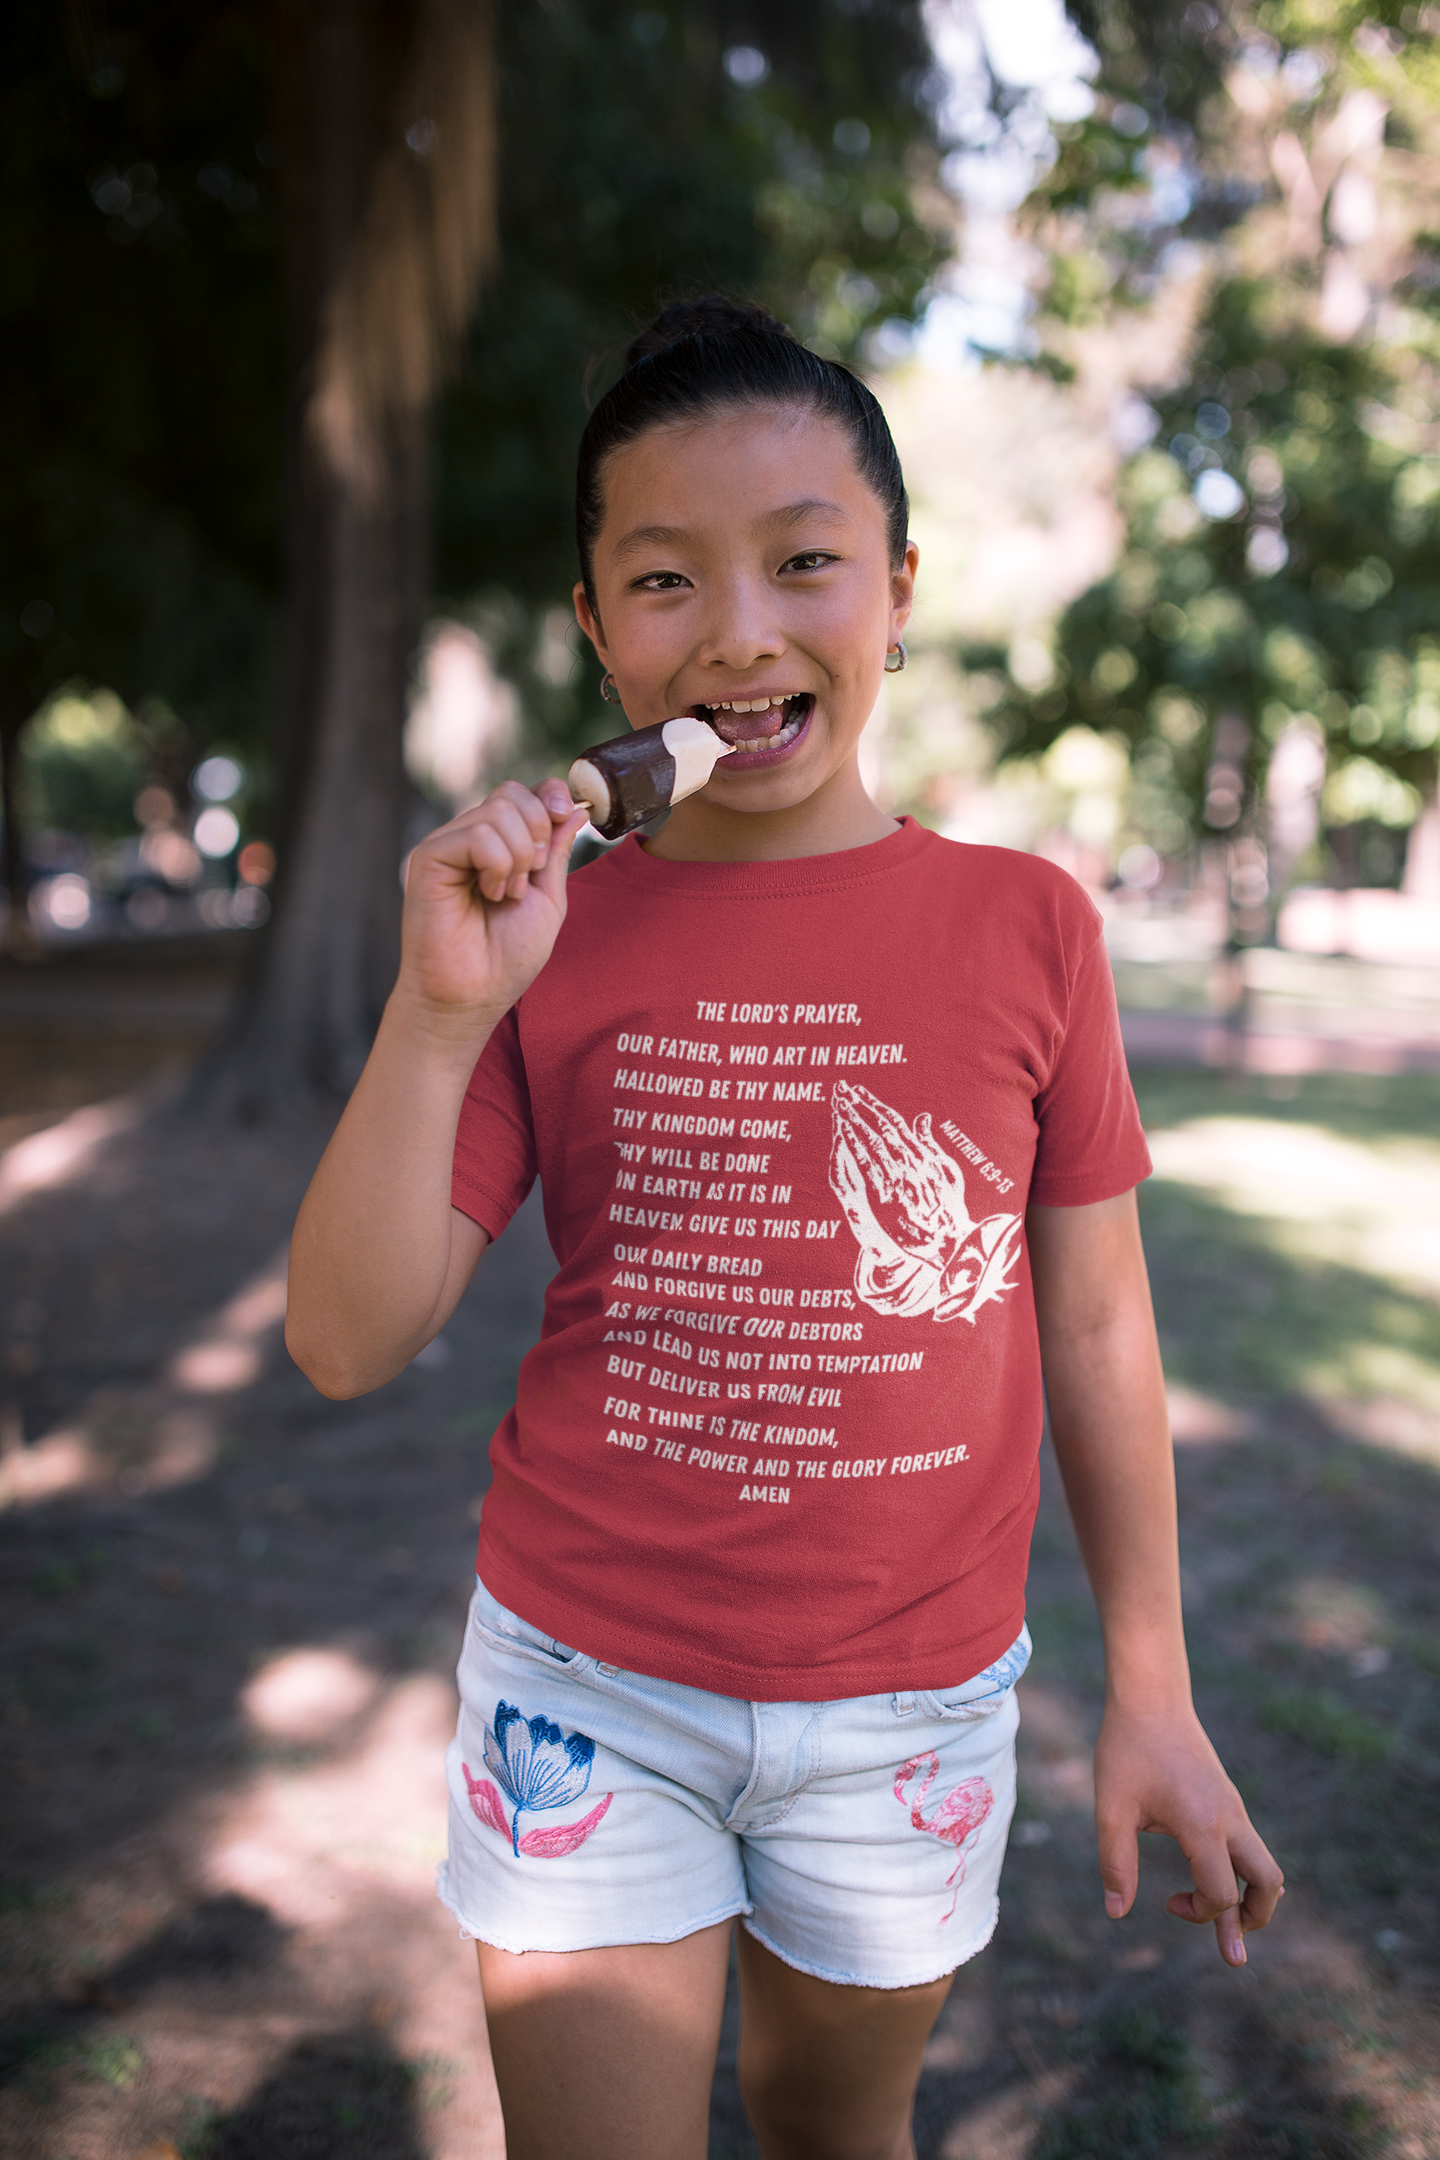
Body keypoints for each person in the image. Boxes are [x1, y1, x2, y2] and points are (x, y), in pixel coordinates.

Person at [285, 296, 1283, 2160]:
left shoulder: (1029, 926)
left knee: (840, 2135)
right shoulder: (545, 933)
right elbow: (344, 1338)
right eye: (665, 581)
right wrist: (441, 1017)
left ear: (896, 591)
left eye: (805, 562)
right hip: (588, 1694)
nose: (738, 630)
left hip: (909, 1709)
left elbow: (1094, 1333)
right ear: (597, 630)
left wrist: (1150, 1689)